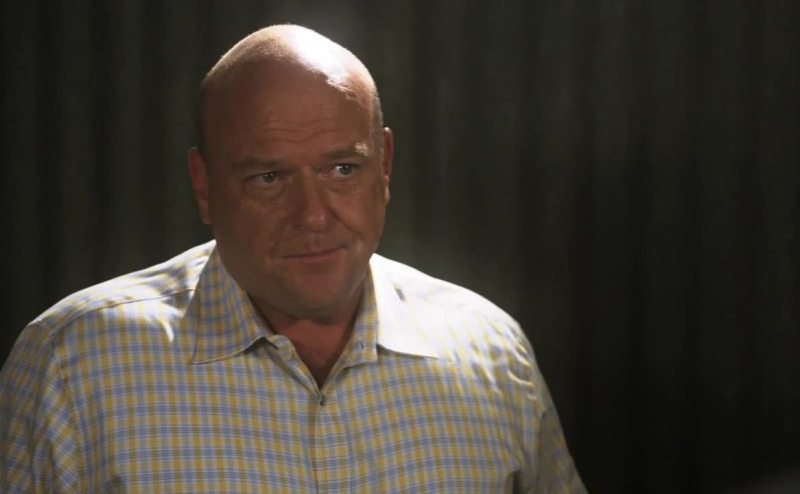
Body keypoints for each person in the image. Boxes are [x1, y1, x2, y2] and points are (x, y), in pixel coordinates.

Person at [0, 24, 586, 493]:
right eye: (269, 177)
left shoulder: (492, 351)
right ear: (203, 185)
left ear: (384, 165)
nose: (313, 215)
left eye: (342, 169)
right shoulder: (72, 364)